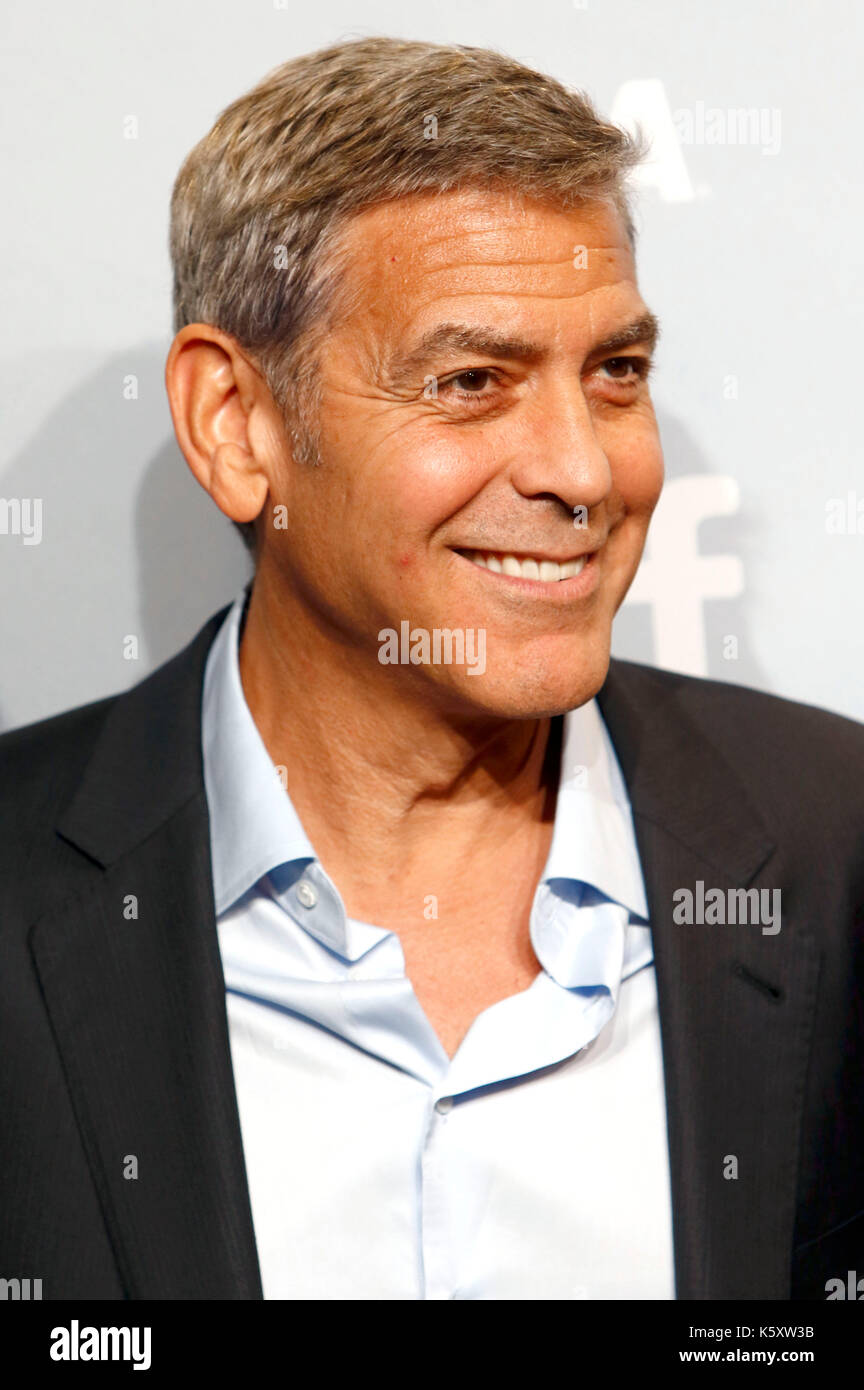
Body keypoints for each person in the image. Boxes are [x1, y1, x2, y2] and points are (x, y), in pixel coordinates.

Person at [1, 36, 862, 1302]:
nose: (581, 472)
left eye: (615, 373)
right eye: (472, 382)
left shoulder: (831, 841)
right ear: (237, 427)